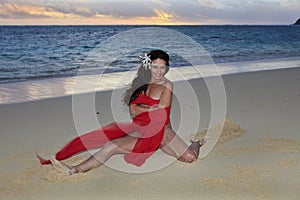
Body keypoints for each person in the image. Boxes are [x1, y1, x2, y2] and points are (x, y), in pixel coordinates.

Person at [38, 50, 204, 175]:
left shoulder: (167, 85)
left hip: (162, 133)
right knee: (110, 146)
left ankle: (196, 142)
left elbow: (161, 113)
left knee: (189, 158)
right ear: (148, 66)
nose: (159, 71)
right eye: (155, 67)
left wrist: (140, 109)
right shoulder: (140, 84)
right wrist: (144, 109)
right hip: (141, 131)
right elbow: (133, 111)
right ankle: (73, 170)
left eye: (163, 68)